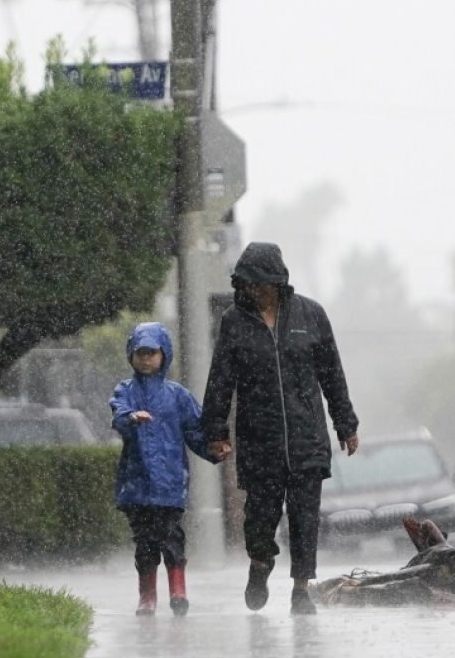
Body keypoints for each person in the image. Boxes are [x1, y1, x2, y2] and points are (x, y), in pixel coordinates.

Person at [201, 242, 359, 615]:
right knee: (259, 518)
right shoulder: (234, 323)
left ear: (277, 281)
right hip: (260, 442)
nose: (254, 291)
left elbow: (332, 375)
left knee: (306, 519)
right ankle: (260, 564)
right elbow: (221, 381)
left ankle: (301, 588)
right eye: (247, 284)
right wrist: (216, 432)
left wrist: (345, 424)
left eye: (260, 283)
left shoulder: (311, 315)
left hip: (307, 440)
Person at [110, 321, 214, 616]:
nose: (146, 359)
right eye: (140, 353)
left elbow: (196, 431)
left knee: (171, 536)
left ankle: (178, 588)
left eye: (152, 353)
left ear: (163, 354)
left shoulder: (178, 396)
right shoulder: (125, 391)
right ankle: (147, 596)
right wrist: (131, 418)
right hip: (137, 484)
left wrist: (214, 450)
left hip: (170, 484)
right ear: (131, 354)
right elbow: (118, 415)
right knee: (144, 541)